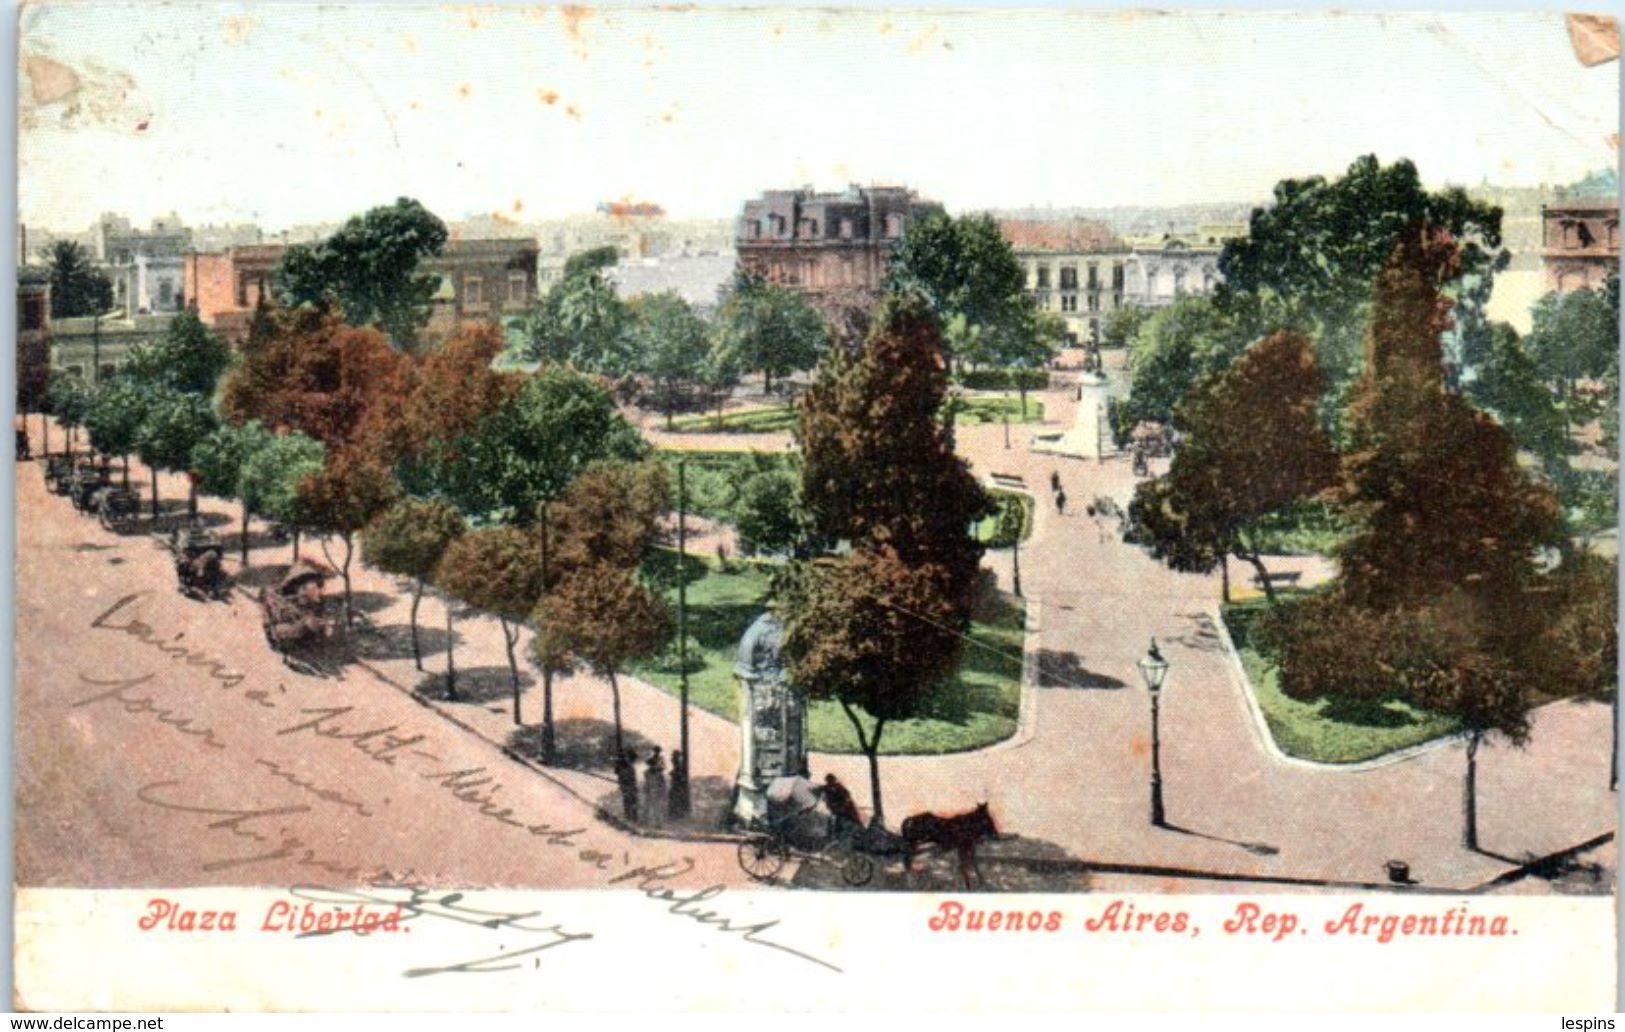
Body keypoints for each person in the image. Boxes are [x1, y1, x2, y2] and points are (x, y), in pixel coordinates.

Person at [818, 773, 862, 837]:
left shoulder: (839, 788)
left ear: (834, 780)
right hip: (839, 811)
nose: (830, 783)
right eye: (828, 781)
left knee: (854, 822)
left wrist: (842, 806)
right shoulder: (827, 788)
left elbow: (847, 797)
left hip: (847, 811)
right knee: (838, 824)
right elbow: (821, 789)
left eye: (831, 781)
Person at [643, 747, 668, 828]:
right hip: (650, 789)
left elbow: (663, 767)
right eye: (655, 751)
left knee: (656, 805)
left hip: (656, 789)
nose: (656, 752)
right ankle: (646, 821)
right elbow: (646, 782)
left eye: (657, 751)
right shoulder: (647, 772)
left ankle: (658, 823)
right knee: (648, 804)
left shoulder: (659, 772)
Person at [614, 749, 639, 823]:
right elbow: (617, 772)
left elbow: (621, 774)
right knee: (628, 802)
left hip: (630, 786)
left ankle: (633, 819)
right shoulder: (625, 765)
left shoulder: (629, 766)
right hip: (627, 786)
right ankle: (630, 818)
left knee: (631, 802)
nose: (627, 759)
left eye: (629, 757)